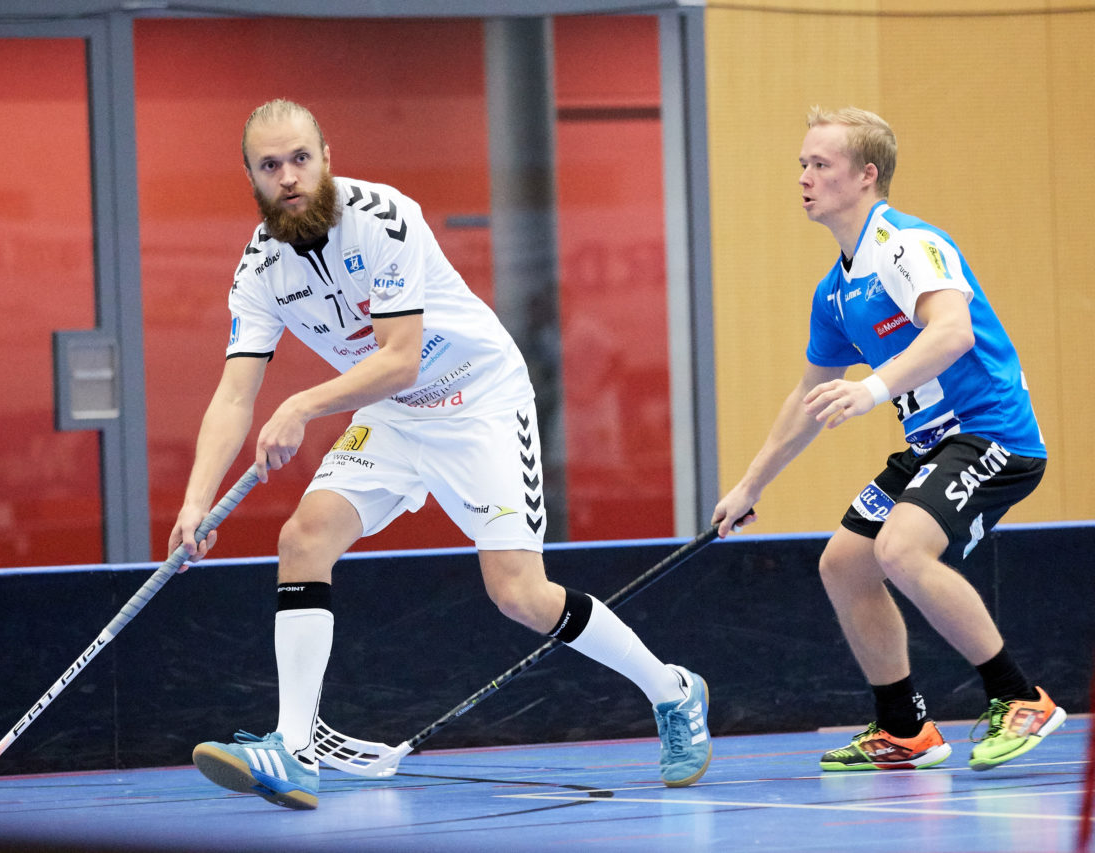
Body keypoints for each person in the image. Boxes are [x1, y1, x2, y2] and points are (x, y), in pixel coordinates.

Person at [171, 98, 712, 809]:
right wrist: (195, 501)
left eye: (301, 158)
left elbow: (398, 358)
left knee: (519, 593)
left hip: (477, 400)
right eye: (271, 166)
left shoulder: (383, 216)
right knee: (302, 537)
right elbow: (234, 394)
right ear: (250, 177)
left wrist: (302, 404)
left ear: (326, 155)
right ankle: (294, 750)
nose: (290, 175)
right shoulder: (260, 267)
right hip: (395, 417)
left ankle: (672, 690)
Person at [712, 106, 1065, 773]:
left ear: (866, 175)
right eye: (802, 165)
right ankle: (905, 727)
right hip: (932, 443)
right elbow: (807, 397)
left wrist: (870, 390)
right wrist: (750, 483)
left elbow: (952, 330)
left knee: (902, 548)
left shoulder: (908, 244)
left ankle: (1020, 697)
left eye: (821, 164)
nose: (804, 178)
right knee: (845, 564)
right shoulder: (835, 292)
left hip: (990, 432)